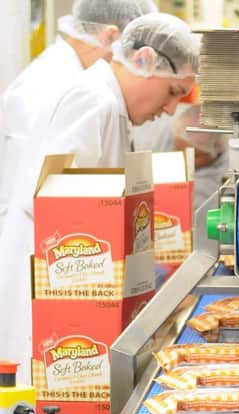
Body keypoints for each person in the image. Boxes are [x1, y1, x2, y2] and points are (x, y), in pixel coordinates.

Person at [0, 12, 199, 384]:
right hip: (53, 307)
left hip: (75, 299)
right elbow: (59, 204)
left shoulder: (111, 105)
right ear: (143, 61)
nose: (171, 109)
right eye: (172, 92)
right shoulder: (94, 100)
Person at [0, 0, 157, 238]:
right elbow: (42, 190)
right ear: (111, 36)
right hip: (32, 245)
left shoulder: (77, 79)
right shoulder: (52, 83)